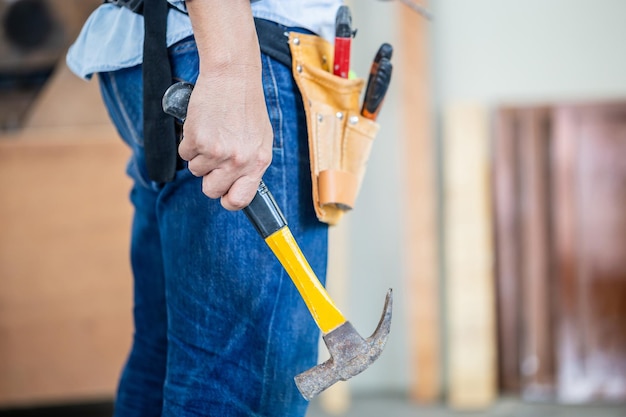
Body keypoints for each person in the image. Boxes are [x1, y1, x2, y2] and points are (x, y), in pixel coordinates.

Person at [67, 1, 342, 416]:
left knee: (162, 362)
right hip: (231, 50)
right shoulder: (231, 65)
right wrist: (230, 67)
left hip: (159, 50)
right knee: (236, 390)